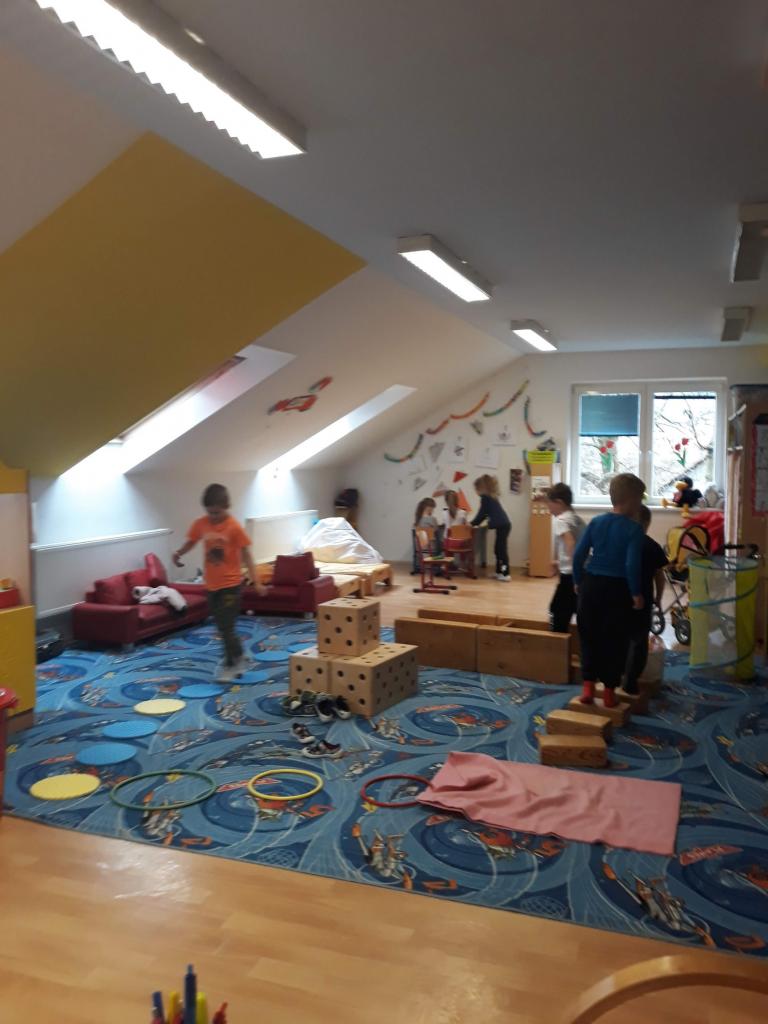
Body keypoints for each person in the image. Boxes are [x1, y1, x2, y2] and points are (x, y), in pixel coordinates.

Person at [172, 483, 265, 683]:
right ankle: (238, 652)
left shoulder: (234, 527)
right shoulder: (201, 524)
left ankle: (232, 664)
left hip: (231, 586)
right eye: (210, 512)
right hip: (211, 586)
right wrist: (179, 553)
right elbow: (191, 541)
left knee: (225, 626)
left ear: (226, 506)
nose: (213, 516)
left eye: (217, 512)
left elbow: (247, 555)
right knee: (222, 626)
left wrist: (256, 581)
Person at [572, 472, 645, 707]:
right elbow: (631, 564)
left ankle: (587, 687)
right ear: (631, 500)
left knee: (588, 636)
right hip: (618, 590)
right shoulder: (634, 529)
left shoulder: (596, 522)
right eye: (640, 499)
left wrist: (577, 580)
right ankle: (610, 692)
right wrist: (636, 593)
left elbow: (578, 555)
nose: (640, 505)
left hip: (591, 586)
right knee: (615, 640)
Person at [624, 505, 667, 694]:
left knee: (619, 635)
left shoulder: (621, 543)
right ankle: (631, 680)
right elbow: (660, 576)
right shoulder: (652, 546)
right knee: (639, 639)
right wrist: (659, 598)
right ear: (647, 523)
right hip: (643, 598)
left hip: (620, 596)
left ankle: (616, 673)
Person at [546, 483, 586, 633]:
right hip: (584, 572)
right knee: (577, 607)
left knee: (557, 609)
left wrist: (575, 571)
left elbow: (570, 543)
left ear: (559, 502)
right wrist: (557, 561)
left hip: (570, 575)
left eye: (549, 504)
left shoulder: (561, 520)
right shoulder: (576, 519)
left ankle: (557, 640)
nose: (548, 508)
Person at [471, 474, 511, 581]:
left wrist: (472, 524)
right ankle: (499, 572)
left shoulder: (485, 498)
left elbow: (481, 514)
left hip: (503, 526)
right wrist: (475, 523)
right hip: (504, 525)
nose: (476, 492)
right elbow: (485, 514)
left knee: (501, 550)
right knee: (498, 550)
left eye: (476, 489)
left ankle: (505, 573)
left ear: (481, 488)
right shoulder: (491, 497)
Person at [412, 497, 440, 573]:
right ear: (429, 508)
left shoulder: (417, 519)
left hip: (419, 547)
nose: (433, 511)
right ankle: (438, 565)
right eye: (433, 508)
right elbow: (436, 530)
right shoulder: (432, 519)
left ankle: (420, 565)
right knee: (440, 542)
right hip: (430, 547)